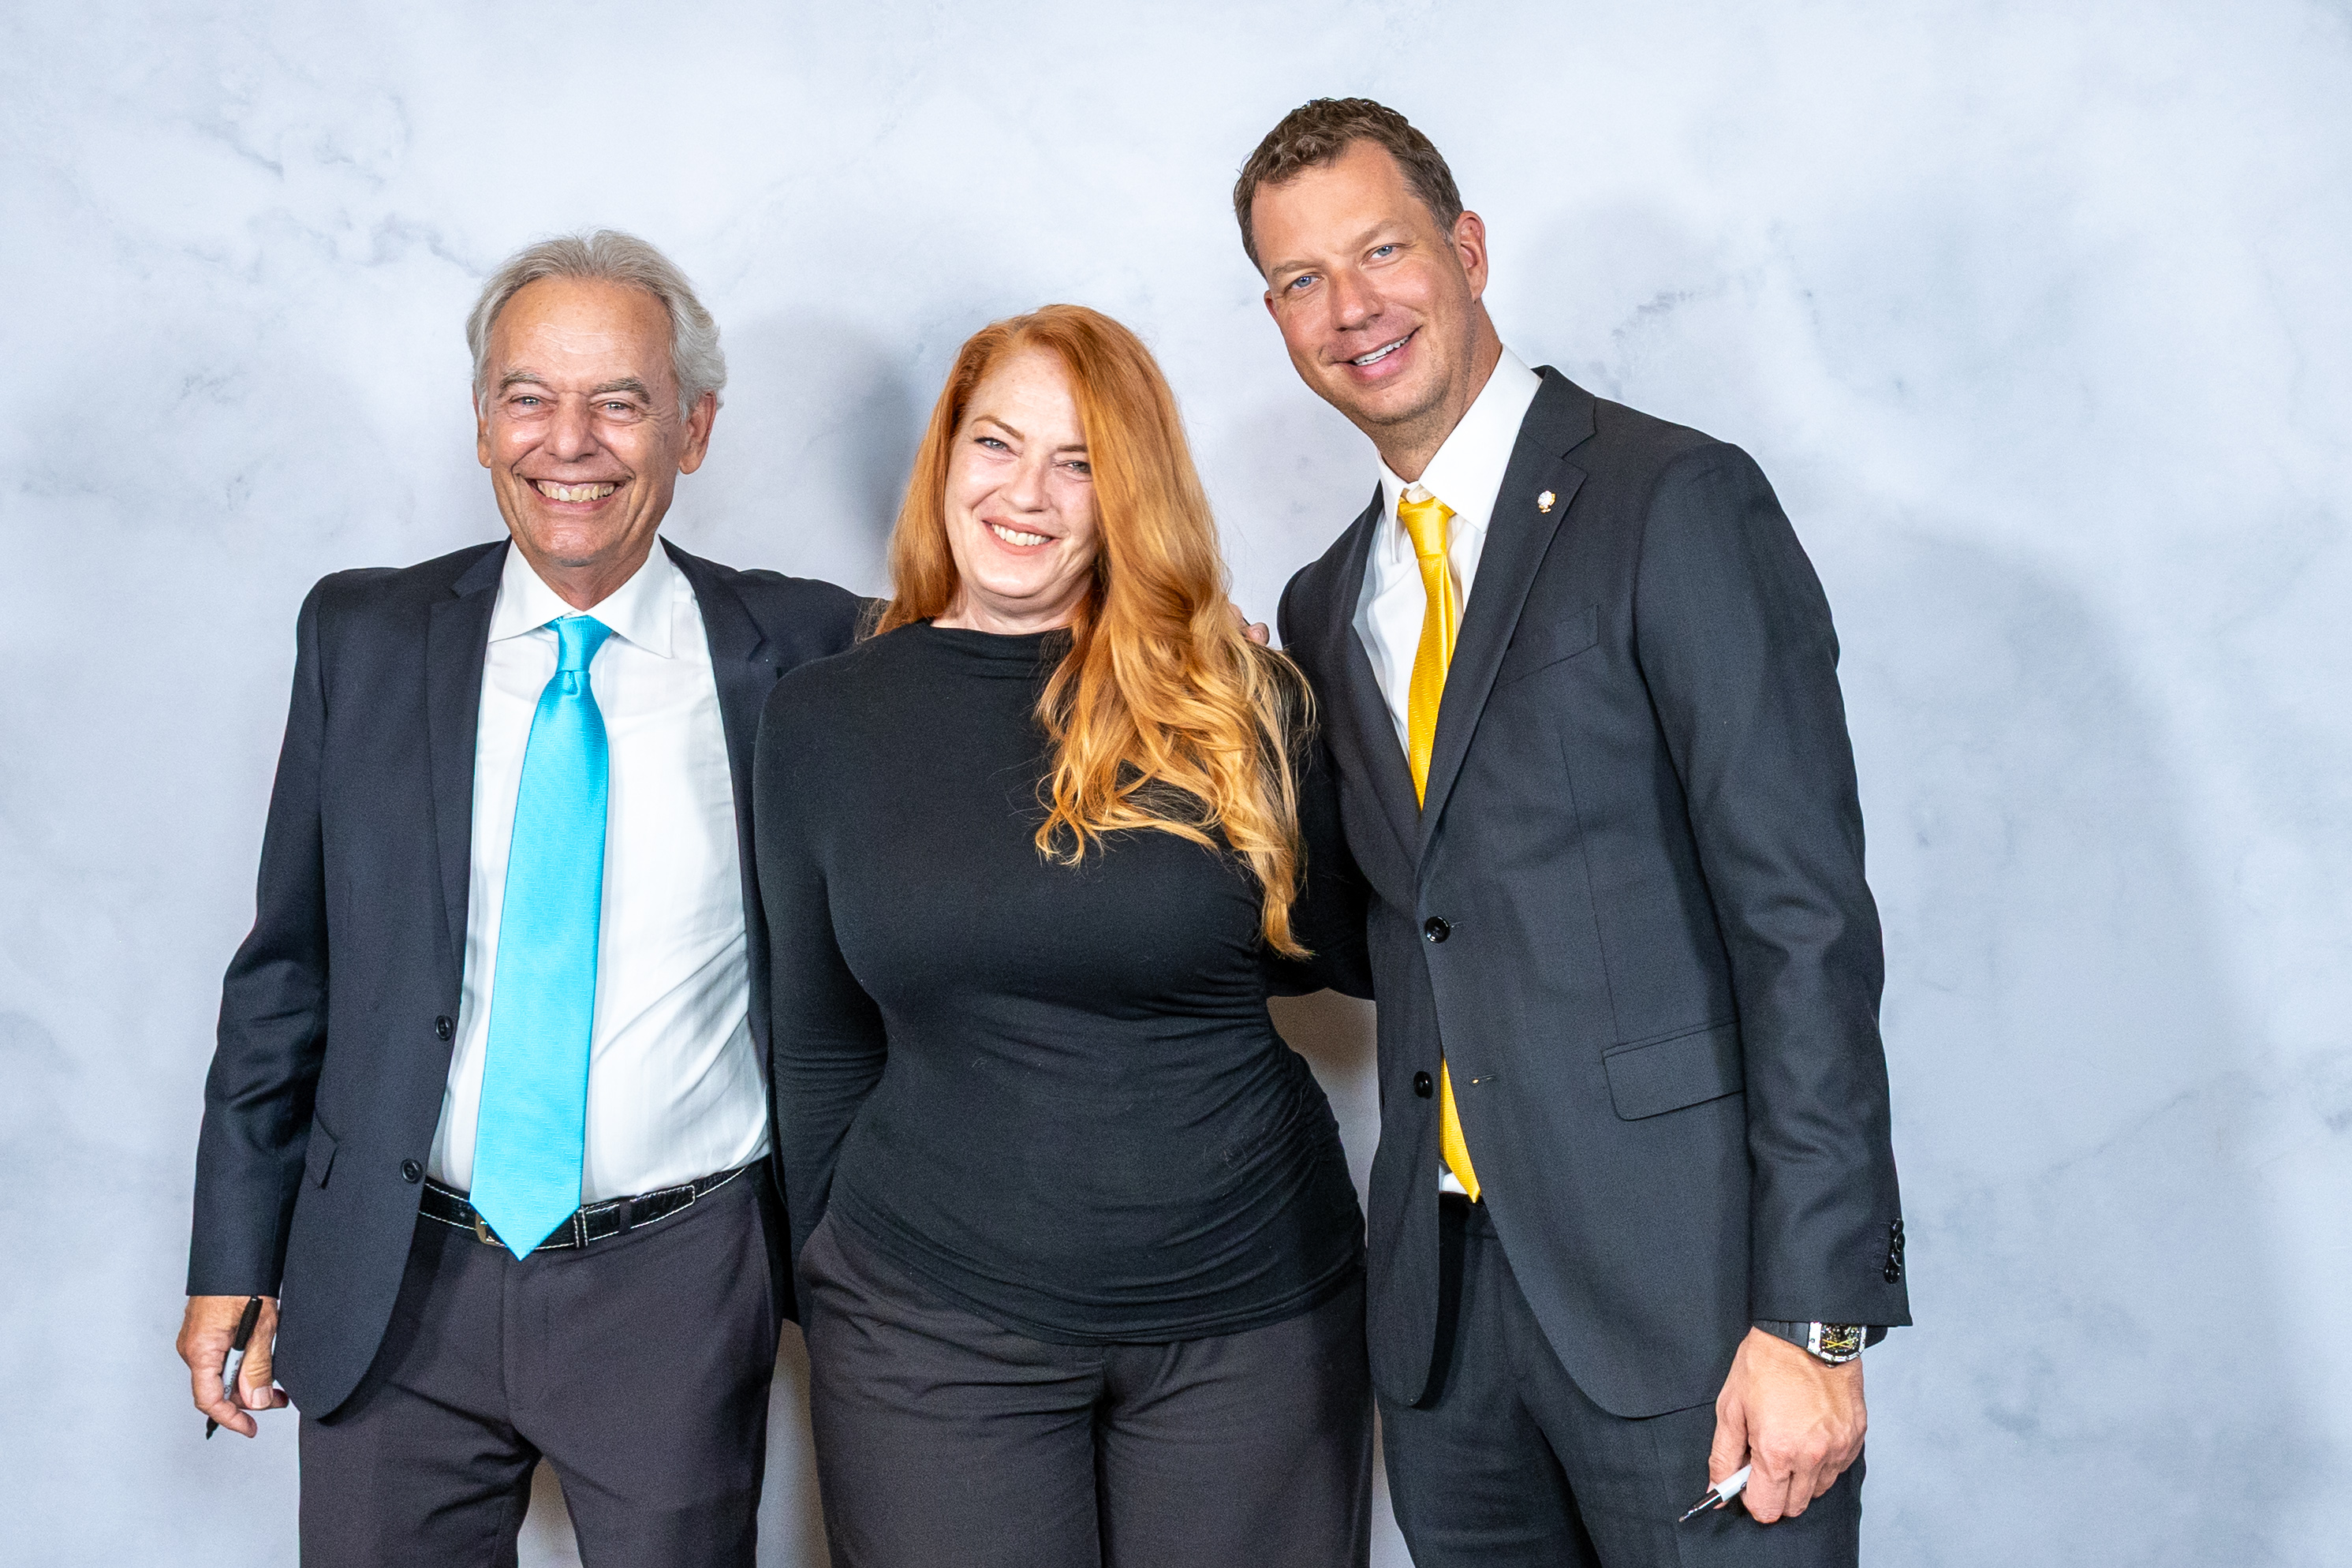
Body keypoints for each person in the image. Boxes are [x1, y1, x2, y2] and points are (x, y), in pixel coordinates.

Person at [1238, 99, 1911, 1565]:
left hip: (1693, 1306)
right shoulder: (1321, 602)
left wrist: (1817, 1316)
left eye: (1381, 251)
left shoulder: (1673, 499)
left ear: (1466, 250)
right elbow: (1381, 940)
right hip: (1446, 1334)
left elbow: (1801, 924)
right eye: (1299, 279)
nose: (1350, 308)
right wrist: (1226, 751)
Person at [177, 230, 862, 1566]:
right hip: (394, 1273)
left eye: (621, 402)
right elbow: (287, 973)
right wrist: (231, 1257)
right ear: (483, 422)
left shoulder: (812, 649)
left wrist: (1189, 636)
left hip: (678, 1281)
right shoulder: (363, 638)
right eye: (529, 396)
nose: (570, 442)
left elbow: (1014, 649)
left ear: (693, 429)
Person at [753, 304, 1376, 1568]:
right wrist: (828, 1272)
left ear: (1127, 494)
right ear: (945, 457)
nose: (1025, 493)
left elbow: (1336, 955)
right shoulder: (824, 719)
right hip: (926, 1325)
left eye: (1078, 461)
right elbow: (817, 1045)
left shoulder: (1240, 699)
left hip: (1251, 1320)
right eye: (995, 443)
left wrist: (1236, 700)